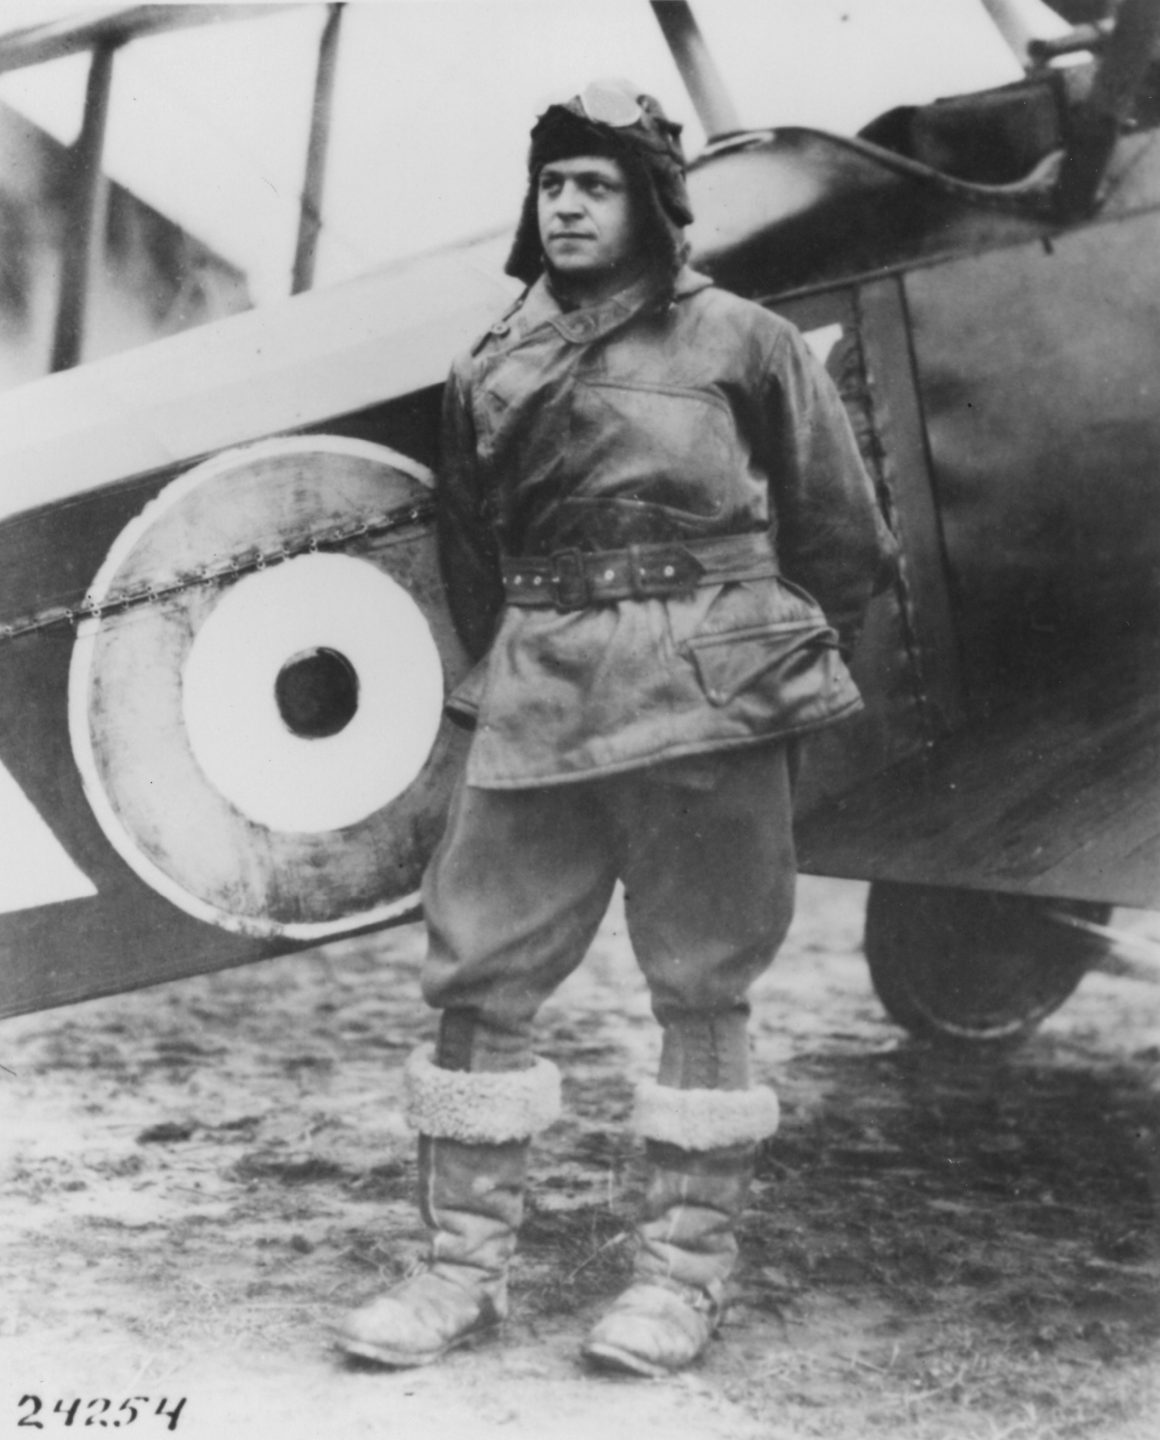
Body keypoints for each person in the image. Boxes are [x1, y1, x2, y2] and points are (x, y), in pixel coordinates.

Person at [337, 78, 894, 1378]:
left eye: (597, 184)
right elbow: (475, 549)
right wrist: (539, 647)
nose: (569, 205)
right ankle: (456, 1270)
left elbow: (842, 540)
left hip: (713, 694)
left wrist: (756, 664)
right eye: (553, 185)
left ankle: (681, 1277)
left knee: (704, 980)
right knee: (481, 973)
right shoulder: (493, 363)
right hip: (540, 689)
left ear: (656, 205)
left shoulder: (745, 342)